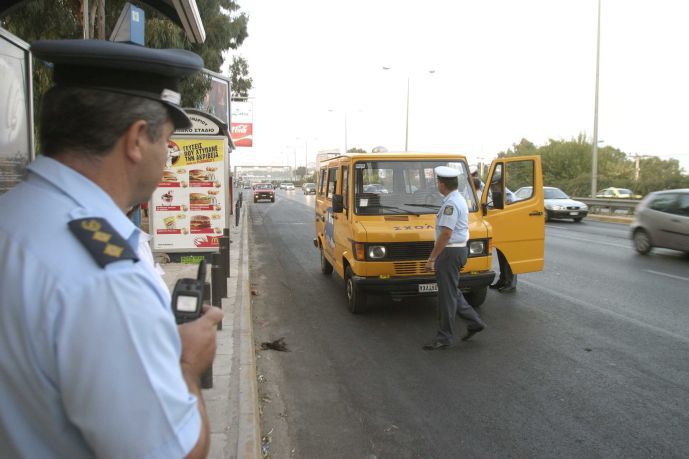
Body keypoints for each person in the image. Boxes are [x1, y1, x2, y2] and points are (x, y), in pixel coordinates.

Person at [0, 40, 223, 458]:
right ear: (137, 139)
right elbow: (178, 452)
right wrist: (187, 368)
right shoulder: (107, 280)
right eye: (168, 142)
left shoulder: (13, 216)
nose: (170, 158)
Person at [423, 166, 486, 350]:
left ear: (442, 184)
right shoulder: (457, 199)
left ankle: (444, 337)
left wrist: (432, 258)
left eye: (438, 182)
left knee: (446, 297)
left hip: (450, 253)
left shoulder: (450, 204)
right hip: (457, 251)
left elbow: (446, 234)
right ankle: (475, 322)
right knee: (451, 291)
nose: (437, 185)